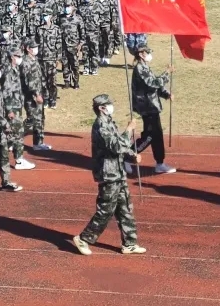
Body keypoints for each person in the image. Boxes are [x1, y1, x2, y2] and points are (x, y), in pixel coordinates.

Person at [71, 94, 146, 256]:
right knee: (106, 210)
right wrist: (129, 130)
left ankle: (129, 243)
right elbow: (115, 146)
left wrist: (132, 155)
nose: (112, 106)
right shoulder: (100, 125)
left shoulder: (109, 122)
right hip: (109, 174)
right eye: (109, 104)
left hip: (118, 172)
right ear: (101, 108)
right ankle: (84, 238)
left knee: (125, 208)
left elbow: (119, 144)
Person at [131, 45, 174, 174]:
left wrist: (166, 94)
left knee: (157, 135)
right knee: (149, 136)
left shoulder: (145, 67)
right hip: (147, 107)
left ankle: (160, 163)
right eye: (147, 52)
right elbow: (152, 83)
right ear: (141, 54)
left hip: (152, 107)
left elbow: (154, 86)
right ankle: (127, 156)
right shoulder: (139, 69)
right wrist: (167, 73)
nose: (150, 55)